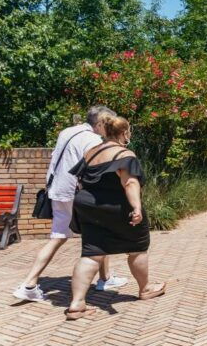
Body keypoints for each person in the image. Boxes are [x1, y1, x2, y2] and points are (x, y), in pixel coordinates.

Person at [13, 106, 127, 303]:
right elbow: (95, 167)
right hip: (77, 193)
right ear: (99, 123)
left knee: (59, 236)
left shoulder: (67, 131)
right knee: (97, 233)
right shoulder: (93, 140)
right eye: (108, 123)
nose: (110, 127)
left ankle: (30, 284)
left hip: (57, 190)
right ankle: (101, 281)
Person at [66, 115, 165, 320]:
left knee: (91, 252)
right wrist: (136, 207)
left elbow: (81, 181)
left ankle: (76, 304)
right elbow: (129, 183)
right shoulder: (124, 154)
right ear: (125, 133)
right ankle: (145, 288)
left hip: (88, 206)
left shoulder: (91, 153)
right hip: (115, 206)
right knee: (137, 245)